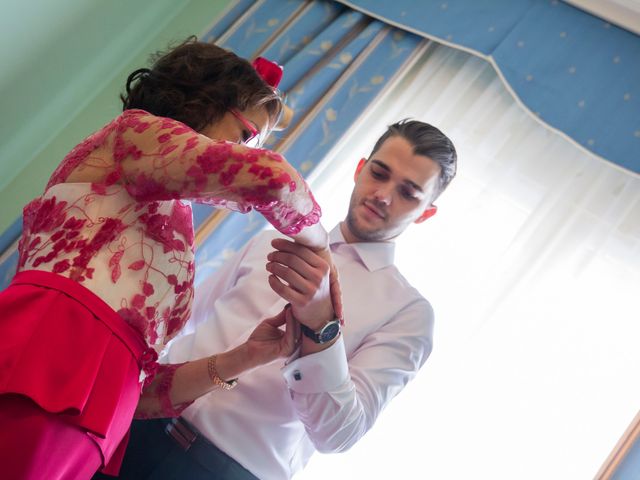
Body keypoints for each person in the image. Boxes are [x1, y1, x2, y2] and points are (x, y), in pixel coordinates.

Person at [0, 38, 336, 479]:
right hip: (50, 353)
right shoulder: (132, 133)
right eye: (249, 137)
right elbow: (271, 180)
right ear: (205, 102)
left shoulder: (171, 222)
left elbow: (141, 389)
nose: (248, 153)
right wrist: (321, 246)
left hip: (93, 417)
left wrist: (246, 357)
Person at [105, 119, 458, 480]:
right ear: (359, 168)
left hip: (227, 470)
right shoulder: (270, 238)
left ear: (426, 212)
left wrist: (322, 328)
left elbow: (339, 435)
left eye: (409, 193)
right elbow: (181, 318)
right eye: (379, 173)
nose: (383, 195)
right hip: (137, 419)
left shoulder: (409, 313)